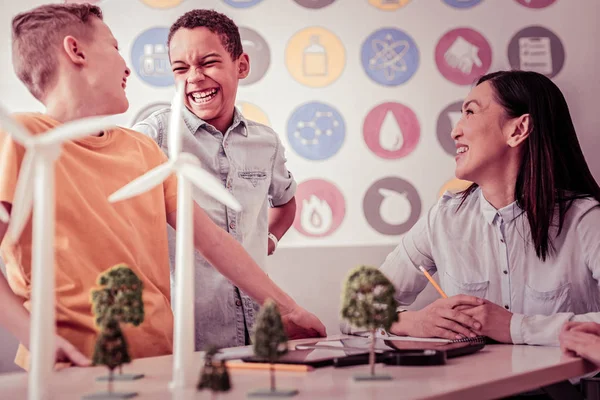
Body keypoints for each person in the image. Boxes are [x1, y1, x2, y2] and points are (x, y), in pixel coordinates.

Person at [0, 3, 325, 371]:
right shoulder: (19, 140)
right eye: (115, 47)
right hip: (72, 365)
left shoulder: (142, 149)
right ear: (76, 51)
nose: (128, 65)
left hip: (160, 358)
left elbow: (214, 242)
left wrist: (288, 308)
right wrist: (33, 335)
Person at [379, 70, 600, 346]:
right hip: (473, 389)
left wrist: (515, 327)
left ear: (518, 130)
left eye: (470, 112)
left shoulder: (586, 219)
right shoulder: (444, 219)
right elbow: (354, 310)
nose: (455, 130)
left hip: (565, 390)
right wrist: (412, 321)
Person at [133, 9, 297, 350]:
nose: (194, 77)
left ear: (241, 65)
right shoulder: (152, 136)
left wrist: (268, 240)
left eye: (208, 62)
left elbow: (285, 202)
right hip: (186, 334)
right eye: (180, 68)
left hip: (258, 328)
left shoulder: (265, 142)